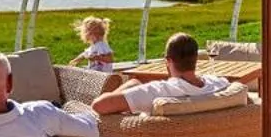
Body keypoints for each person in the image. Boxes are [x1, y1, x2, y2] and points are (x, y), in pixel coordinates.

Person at [91, 32, 227, 115]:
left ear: (168, 60)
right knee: (134, 83)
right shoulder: (219, 84)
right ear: (196, 58)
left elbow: (98, 106)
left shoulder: (158, 92)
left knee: (133, 84)